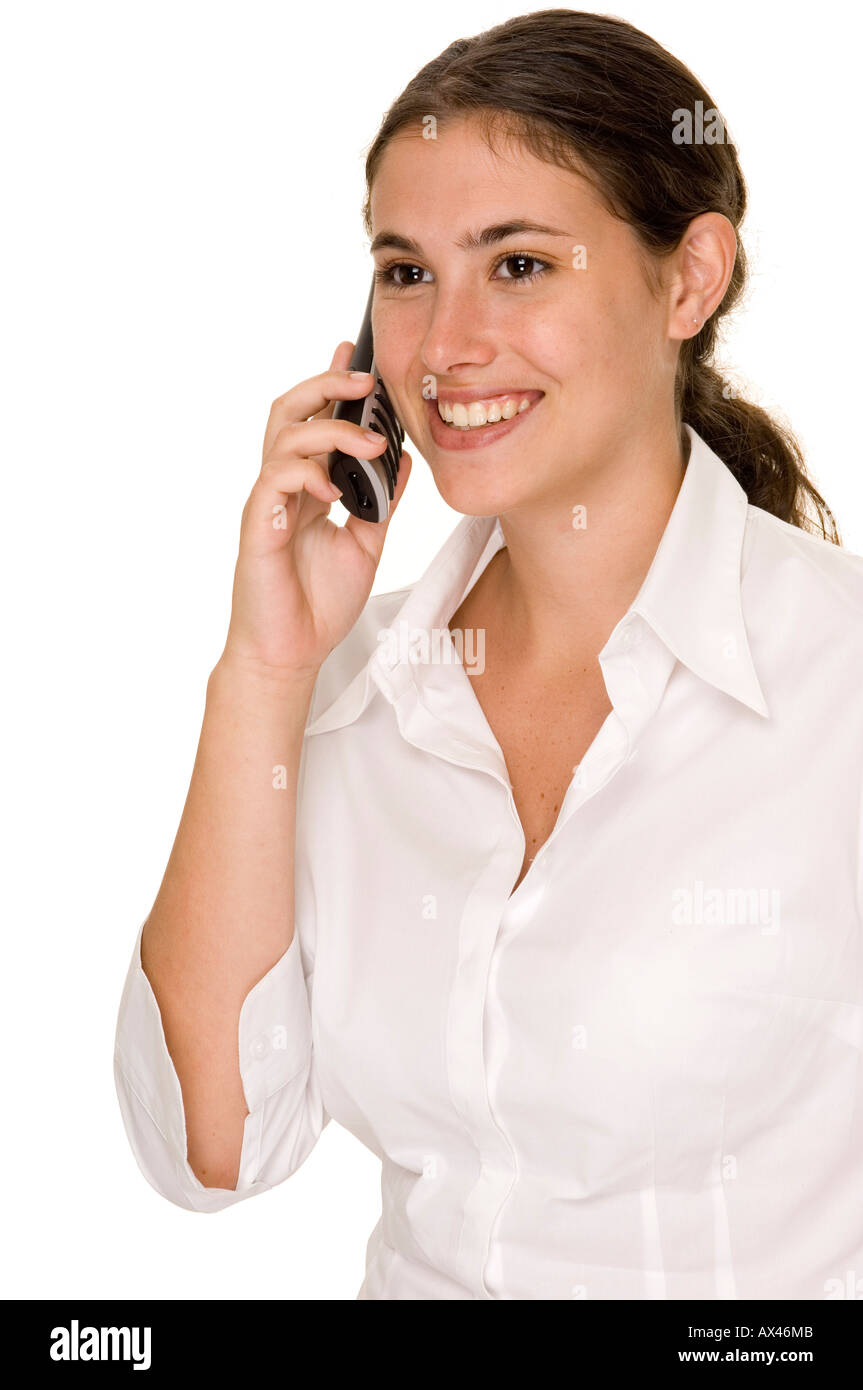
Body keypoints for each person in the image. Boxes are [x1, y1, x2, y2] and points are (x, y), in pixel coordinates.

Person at [114, 10, 863, 1299]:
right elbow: (210, 1150)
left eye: (517, 266)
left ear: (689, 278)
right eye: (405, 273)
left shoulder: (835, 686)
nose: (445, 348)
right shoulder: (351, 694)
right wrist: (264, 672)